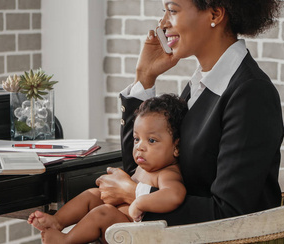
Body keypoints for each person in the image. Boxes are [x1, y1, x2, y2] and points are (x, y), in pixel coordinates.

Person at [96, 0, 284, 227]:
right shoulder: (199, 86)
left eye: (172, 11)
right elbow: (140, 168)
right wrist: (145, 78)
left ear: (215, 14)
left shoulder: (251, 94)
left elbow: (229, 214)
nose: (162, 24)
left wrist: (135, 193)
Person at [28, 94, 188, 244]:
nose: (140, 147)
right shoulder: (145, 167)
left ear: (176, 147)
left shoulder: (167, 173)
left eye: (151, 140)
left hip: (133, 232)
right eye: (137, 139)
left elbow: (175, 195)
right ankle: (57, 221)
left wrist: (140, 203)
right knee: (92, 195)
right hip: (120, 222)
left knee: (103, 213)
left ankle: (65, 240)